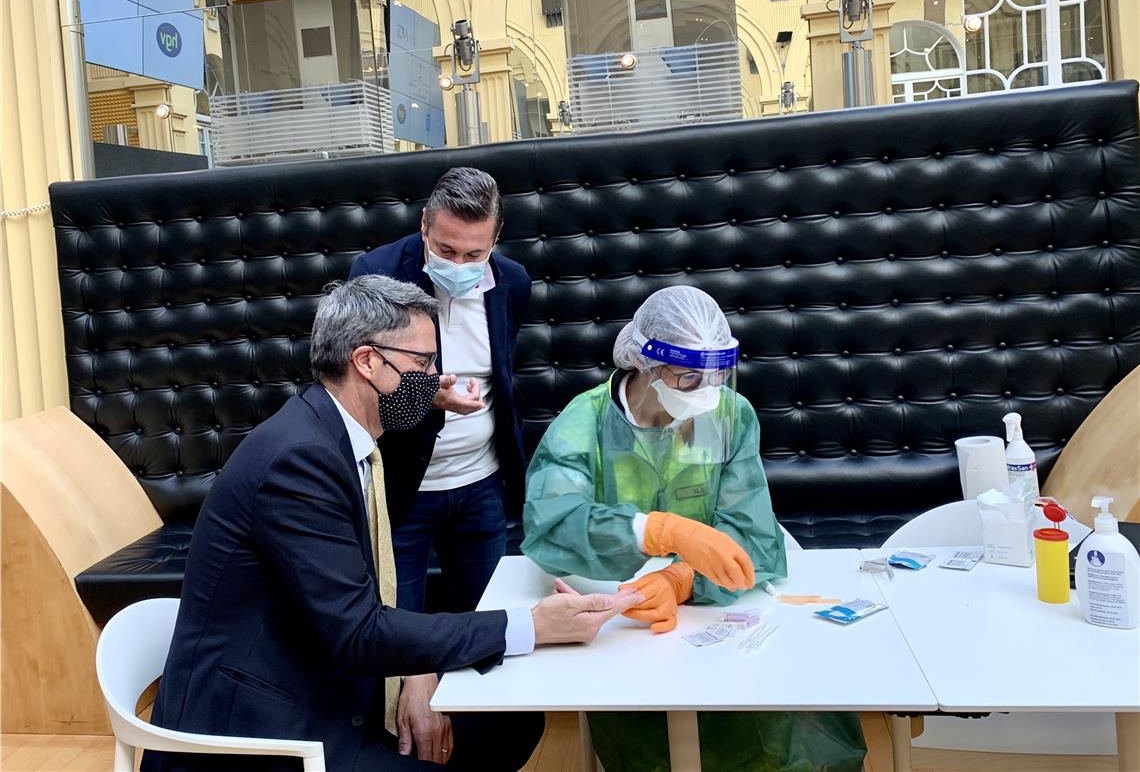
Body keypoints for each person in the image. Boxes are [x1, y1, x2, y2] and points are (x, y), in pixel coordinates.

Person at [142, 276, 641, 772]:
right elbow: (358, 632)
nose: (434, 377)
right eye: (422, 363)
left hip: (331, 680)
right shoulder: (299, 461)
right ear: (367, 361)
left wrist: (419, 673)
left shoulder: (340, 438)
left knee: (510, 723)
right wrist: (530, 625)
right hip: (272, 729)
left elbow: (361, 603)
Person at [522, 285, 867, 772]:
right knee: (652, 742)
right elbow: (551, 524)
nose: (706, 391)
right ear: (645, 362)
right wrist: (652, 530)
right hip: (627, 623)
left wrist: (681, 577)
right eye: (687, 377)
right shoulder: (587, 421)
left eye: (717, 375)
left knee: (782, 722)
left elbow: (752, 532)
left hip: (715, 616)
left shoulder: (724, 415)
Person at [349, 167, 530, 614]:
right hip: (402, 487)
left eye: (475, 254)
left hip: (483, 486)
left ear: (495, 238)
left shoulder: (513, 282)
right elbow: (356, 379)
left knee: (487, 623)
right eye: (446, 250)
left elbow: (503, 374)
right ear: (424, 225)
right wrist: (426, 395)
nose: (460, 265)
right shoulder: (376, 273)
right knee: (397, 627)